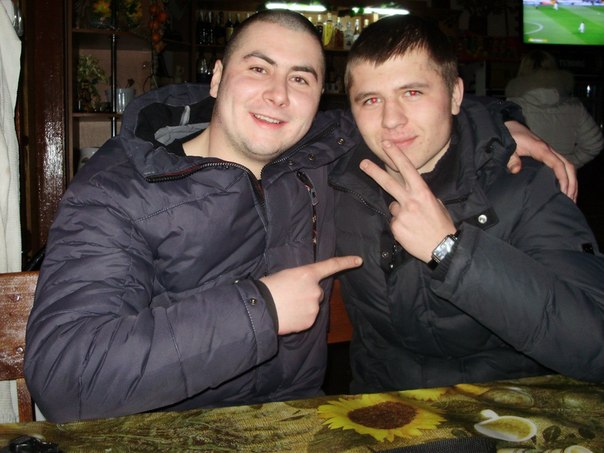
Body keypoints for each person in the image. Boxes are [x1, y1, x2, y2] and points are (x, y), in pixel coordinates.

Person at [25, 10, 575, 423]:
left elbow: (411, 114)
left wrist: (501, 124)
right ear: (216, 78)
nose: (277, 95)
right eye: (258, 68)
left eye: (301, 78)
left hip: (299, 426)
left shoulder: (324, 151)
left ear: (319, 99)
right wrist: (260, 310)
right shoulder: (117, 190)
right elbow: (64, 378)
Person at [331, 15, 604, 394]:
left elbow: (595, 343)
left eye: (413, 92)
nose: (391, 120)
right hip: (382, 406)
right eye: (371, 100)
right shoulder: (339, 178)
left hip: (501, 407)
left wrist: (450, 250)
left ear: (456, 95)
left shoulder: (525, 185)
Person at [505, 50, 603, 169]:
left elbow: (501, 147)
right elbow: (594, 144)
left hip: (526, 176)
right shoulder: (575, 107)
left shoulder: (512, 106)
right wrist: (566, 165)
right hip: (561, 178)